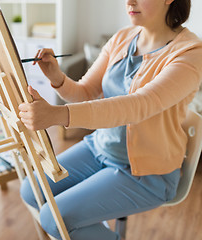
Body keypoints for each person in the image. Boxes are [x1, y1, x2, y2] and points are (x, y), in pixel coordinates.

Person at [18, 0, 202, 239]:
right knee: (32, 190)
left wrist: (56, 115)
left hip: (147, 173)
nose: (129, 2)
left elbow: (138, 106)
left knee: (54, 218)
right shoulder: (122, 37)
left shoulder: (190, 54)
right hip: (100, 147)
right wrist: (57, 77)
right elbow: (84, 91)